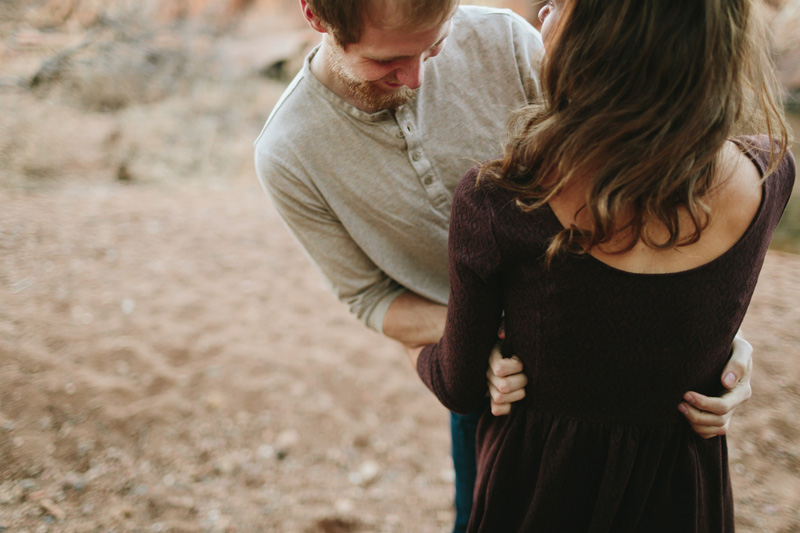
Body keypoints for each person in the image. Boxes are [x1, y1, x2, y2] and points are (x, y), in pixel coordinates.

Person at [254, 1, 755, 530]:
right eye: (388, 62)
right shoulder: (288, 153)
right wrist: (473, 338)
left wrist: (710, 329)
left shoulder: (512, 40)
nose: (417, 78)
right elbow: (369, 298)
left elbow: (633, 179)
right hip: (491, 385)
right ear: (316, 17)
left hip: (622, 363)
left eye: (436, 46)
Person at [411, 0, 796, 531]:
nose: (544, 9)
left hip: (540, 489)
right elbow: (689, 302)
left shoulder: (501, 200)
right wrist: (724, 355)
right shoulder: (769, 174)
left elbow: (459, 386)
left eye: (562, 3)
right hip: (678, 491)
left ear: (599, 43)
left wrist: (423, 351)